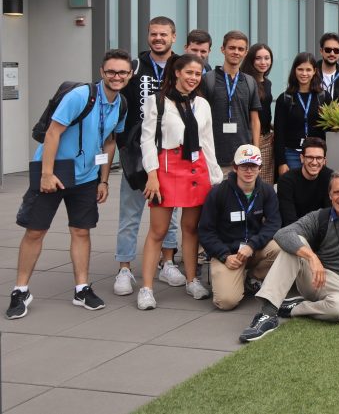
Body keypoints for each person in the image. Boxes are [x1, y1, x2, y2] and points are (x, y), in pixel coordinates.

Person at [8, 49, 130, 320]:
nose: (116, 76)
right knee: (35, 231)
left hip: (86, 177)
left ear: (130, 74)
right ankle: (20, 290)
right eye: (111, 71)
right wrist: (47, 174)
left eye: (122, 72)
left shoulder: (121, 103)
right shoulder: (80, 96)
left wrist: (103, 180)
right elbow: (53, 132)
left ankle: (81, 288)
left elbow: (110, 142)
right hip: (54, 171)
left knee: (81, 231)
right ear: (102, 72)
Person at [240, 170, 339, 341]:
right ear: (330, 194)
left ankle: (295, 307)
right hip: (318, 278)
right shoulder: (320, 217)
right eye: (337, 192)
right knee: (294, 243)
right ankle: (268, 314)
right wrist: (311, 257)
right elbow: (282, 234)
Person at [136, 54, 222, 310]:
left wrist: (215, 175)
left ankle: (192, 279)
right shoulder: (157, 101)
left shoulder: (203, 105)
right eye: (189, 73)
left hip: (197, 168)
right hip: (166, 168)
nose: (193, 79)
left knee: (191, 228)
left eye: (197, 75)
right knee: (158, 231)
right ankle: (147, 288)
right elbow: (147, 140)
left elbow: (207, 142)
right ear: (176, 73)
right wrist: (152, 174)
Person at [114, 17, 182, 297]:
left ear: (173, 37)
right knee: (130, 214)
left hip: (170, 152)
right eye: (153, 34)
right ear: (148, 36)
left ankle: (167, 263)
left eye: (163, 34)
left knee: (171, 214)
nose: (158, 38)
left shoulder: (181, 66)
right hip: (136, 153)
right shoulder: (135, 67)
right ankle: (125, 269)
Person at [197, 145, 281, 311]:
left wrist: (252, 245)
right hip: (228, 254)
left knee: (280, 248)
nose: (249, 171)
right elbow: (206, 231)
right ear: (235, 167)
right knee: (226, 302)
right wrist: (223, 255)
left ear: (260, 168)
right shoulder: (218, 193)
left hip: (253, 250)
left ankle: (252, 278)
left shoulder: (267, 191)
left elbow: (274, 223)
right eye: (244, 166)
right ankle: (235, 277)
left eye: (253, 166)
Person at [203, 31, 262, 172]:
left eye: (240, 49)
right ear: (223, 49)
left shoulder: (249, 82)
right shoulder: (208, 79)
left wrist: (256, 151)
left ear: (246, 52)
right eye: (232, 48)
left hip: (243, 157)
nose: (236, 52)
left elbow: (254, 120)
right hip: (213, 156)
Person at [273, 52, 330, 174]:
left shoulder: (324, 97)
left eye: (308, 70)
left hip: (317, 155)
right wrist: (281, 162)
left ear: (314, 71)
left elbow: (329, 130)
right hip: (292, 154)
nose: (304, 74)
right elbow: (279, 134)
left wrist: (326, 155)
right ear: (294, 71)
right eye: (300, 69)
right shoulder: (284, 99)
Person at [278, 137, 333, 226]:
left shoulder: (330, 178)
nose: (314, 162)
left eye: (319, 158)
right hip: (294, 231)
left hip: (322, 231)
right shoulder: (286, 181)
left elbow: (330, 214)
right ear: (302, 158)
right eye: (310, 157)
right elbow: (288, 220)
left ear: (324, 161)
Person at [241, 43, 275, 183]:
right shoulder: (245, 82)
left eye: (267, 58)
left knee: (265, 183)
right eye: (258, 58)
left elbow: (265, 111)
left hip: (267, 139)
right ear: (251, 60)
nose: (263, 62)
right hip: (249, 139)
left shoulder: (267, 83)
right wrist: (255, 144)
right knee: (248, 181)